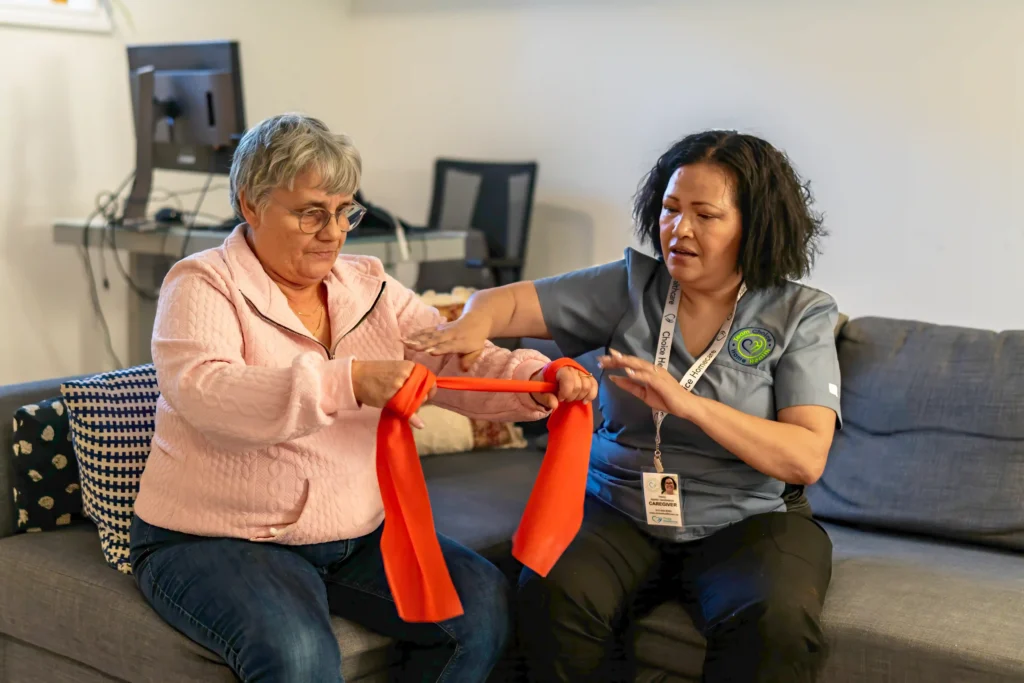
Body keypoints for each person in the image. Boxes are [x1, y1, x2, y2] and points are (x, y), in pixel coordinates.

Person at [128, 113, 597, 683]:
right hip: (216, 538)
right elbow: (208, 395)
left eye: (345, 211)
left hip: (354, 533)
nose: (334, 232)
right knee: (299, 655)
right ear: (251, 205)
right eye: (310, 213)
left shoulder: (370, 285)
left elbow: (453, 356)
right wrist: (347, 380)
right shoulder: (202, 283)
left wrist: (540, 378)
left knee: (481, 611)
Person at [406, 130, 841, 682]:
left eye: (705, 215)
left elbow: (805, 457)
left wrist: (689, 405)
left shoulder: (799, 313)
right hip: (620, 506)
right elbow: (500, 301)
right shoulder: (631, 285)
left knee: (775, 621)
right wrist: (473, 323)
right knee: (550, 592)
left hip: (748, 517)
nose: (678, 229)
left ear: (754, 225)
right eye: (670, 208)